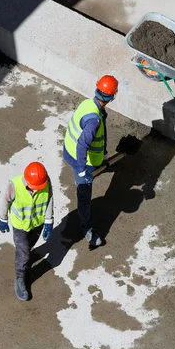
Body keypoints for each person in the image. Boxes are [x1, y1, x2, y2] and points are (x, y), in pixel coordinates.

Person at [63, 75, 118, 247]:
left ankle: (100, 164)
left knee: (98, 167)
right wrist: (81, 170)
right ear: (113, 96)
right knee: (84, 196)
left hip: (70, 151)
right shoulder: (94, 120)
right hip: (82, 162)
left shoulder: (88, 104)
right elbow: (82, 145)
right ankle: (87, 229)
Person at [0, 162, 54, 301]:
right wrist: (2, 219)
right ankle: (20, 279)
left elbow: (49, 199)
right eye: (34, 188)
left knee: (29, 246)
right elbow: (5, 201)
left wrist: (48, 221)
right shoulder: (14, 185)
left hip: (36, 223)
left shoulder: (45, 181)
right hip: (20, 226)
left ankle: (27, 265)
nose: (36, 190)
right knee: (23, 254)